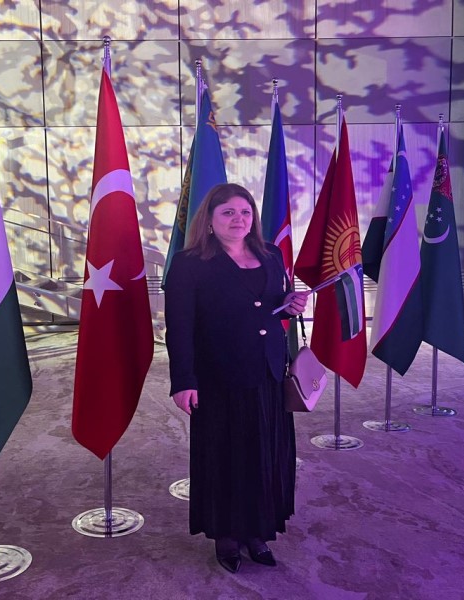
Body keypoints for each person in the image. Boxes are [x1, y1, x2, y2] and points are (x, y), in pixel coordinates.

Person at [164, 183, 309, 574]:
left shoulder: (271, 254)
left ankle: (257, 531)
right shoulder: (189, 263)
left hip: (267, 373)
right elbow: (179, 327)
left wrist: (290, 306)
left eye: (245, 212)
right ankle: (226, 536)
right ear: (209, 220)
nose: (238, 219)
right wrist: (183, 380)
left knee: (264, 453)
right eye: (228, 212)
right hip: (218, 376)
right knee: (225, 455)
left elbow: (268, 309)